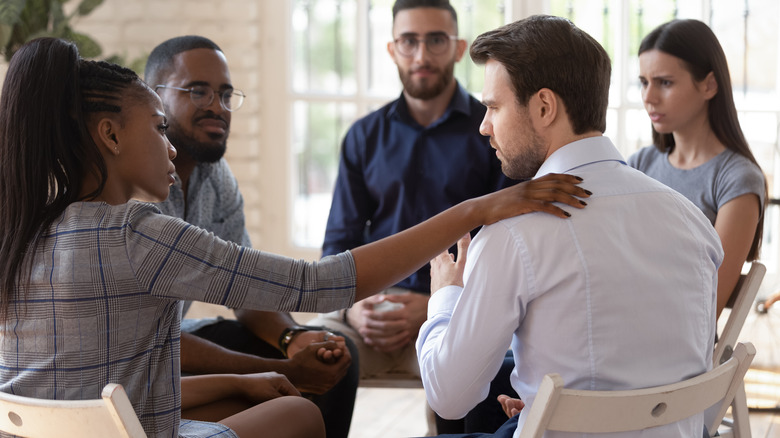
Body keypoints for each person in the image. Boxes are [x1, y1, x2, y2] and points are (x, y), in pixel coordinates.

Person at [0, 37, 588, 438]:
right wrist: (480, 208)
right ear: (108, 135)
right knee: (302, 418)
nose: (171, 145)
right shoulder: (137, 232)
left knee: (267, 396)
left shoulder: (25, 224)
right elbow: (319, 283)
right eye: (158, 127)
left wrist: (244, 376)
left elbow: (116, 374)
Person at [415, 15, 723, 438]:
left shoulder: (514, 235)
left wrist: (446, 296)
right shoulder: (693, 221)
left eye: (493, 107)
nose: (484, 126)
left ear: (544, 107)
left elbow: (448, 396)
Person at [311, 0, 518, 431]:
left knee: (489, 367)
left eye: (436, 41)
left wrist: (434, 304)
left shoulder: (493, 131)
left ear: (459, 48)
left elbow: (507, 242)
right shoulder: (364, 136)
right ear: (392, 49)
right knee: (310, 354)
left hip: (458, 308)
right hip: (370, 314)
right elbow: (337, 245)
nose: (422, 56)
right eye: (409, 41)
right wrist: (354, 308)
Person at [143, 35, 359, 437]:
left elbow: (245, 289)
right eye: (198, 91)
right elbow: (151, 340)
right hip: (140, 362)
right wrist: (282, 368)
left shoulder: (215, 177)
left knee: (334, 362)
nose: (216, 106)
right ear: (154, 98)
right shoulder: (134, 188)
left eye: (225, 94)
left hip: (176, 344)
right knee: (289, 386)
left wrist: (292, 338)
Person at [628, 19, 766, 319]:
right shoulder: (639, 164)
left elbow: (707, 308)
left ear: (709, 85)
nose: (648, 97)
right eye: (643, 82)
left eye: (665, 82)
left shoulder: (736, 179)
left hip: (676, 352)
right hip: (621, 329)